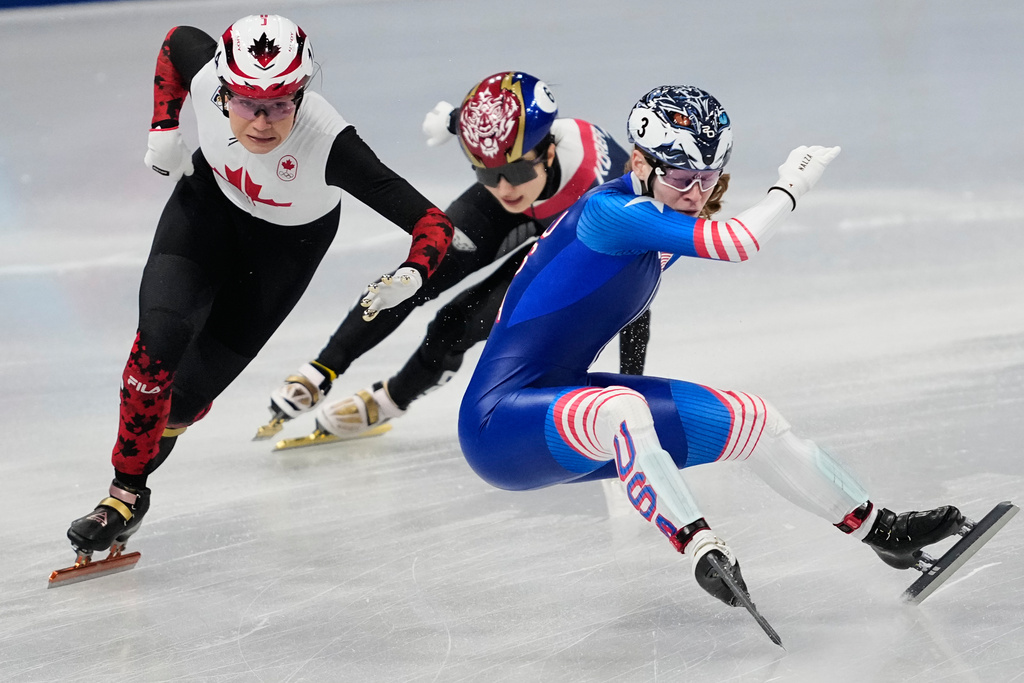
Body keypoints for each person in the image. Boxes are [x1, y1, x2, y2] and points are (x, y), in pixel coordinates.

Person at [456, 85, 965, 606]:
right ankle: (699, 546)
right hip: (498, 424)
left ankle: (884, 533)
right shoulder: (612, 213)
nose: (696, 194)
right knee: (621, 408)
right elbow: (738, 242)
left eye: (708, 180)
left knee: (755, 419)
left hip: (565, 405)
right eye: (682, 178)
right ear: (639, 161)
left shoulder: (658, 214)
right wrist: (790, 186)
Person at [64, 15, 454, 560]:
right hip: (205, 214)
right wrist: (164, 128)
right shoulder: (205, 79)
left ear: (302, 94)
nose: (263, 122)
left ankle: (137, 484)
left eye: (280, 103)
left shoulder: (330, 142)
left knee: (184, 402)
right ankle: (123, 496)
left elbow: (433, 222)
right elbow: (177, 42)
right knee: (156, 347)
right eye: (247, 102)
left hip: (281, 255)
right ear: (223, 88)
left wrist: (412, 273)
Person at [260, 72, 652, 446]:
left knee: (460, 323)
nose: (502, 187)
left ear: (548, 152)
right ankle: (322, 370)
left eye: (513, 171)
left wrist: (630, 386)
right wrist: (453, 121)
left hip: (572, 230)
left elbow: (636, 301)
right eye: (485, 173)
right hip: (543, 204)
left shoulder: (607, 202)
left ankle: (391, 399)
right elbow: (471, 121)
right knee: (413, 277)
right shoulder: (493, 140)